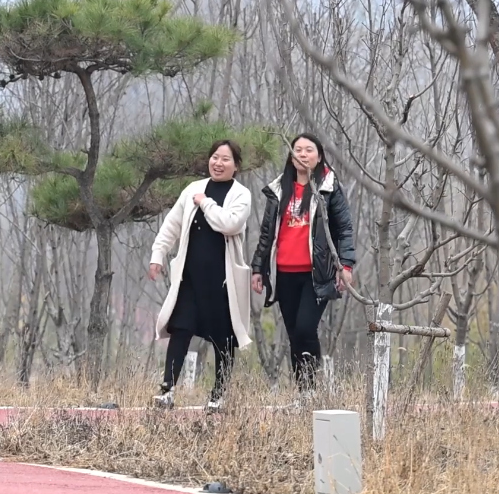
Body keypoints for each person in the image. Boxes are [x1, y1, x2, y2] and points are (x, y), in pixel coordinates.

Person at [149, 140, 253, 411]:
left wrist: (206, 204)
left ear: (236, 165)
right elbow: (171, 225)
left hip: (222, 281)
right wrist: (157, 255)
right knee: (181, 328)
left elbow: (229, 224)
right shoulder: (193, 189)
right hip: (190, 277)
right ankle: (167, 389)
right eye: (215, 157)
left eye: (225, 159)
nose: (218, 163)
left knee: (223, 337)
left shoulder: (241, 194)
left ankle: (217, 396)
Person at [250, 133, 355, 400]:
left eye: (309, 150)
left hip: (316, 274)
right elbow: (266, 234)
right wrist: (258, 268)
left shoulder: (329, 187)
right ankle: (302, 393)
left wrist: (346, 266)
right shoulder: (279, 189)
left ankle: (310, 389)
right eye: (298, 149)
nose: (303, 154)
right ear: (291, 155)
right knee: (295, 334)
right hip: (284, 274)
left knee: (307, 328)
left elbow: (344, 229)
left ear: (319, 156)